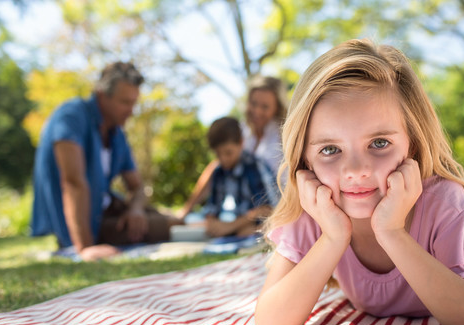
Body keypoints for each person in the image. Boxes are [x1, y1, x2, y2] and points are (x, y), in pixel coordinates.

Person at [254, 39, 464, 325]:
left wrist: (392, 233)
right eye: (330, 149)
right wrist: (333, 236)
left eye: (379, 143)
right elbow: (269, 323)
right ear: (306, 161)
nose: (355, 170)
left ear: (414, 145)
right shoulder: (314, 209)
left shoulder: (445, 203)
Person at [31, 61, 182, 261]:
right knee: (166, 226)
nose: (131, 111)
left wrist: (135, 210)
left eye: (134, 103)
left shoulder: (116, 134)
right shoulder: (71, 117)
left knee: (174, 221)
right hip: (79, 224)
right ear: (102, 95)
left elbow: (137, 187)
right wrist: (85, 248)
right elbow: (73, 182)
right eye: (125, 102)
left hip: (108, 211)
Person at [179, 76, 288, 219]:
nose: (257, 111)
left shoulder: (284, 135)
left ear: (277, 108)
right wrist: (186, 210)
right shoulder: (243, 130)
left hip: (275, 210)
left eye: (265, 107)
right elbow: (218, 166)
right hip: (246, 211)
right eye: (253, 103)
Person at [202, 116, 279, 238]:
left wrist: (231, 226)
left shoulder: (254, 168)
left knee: (249, 231)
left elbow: (268, 209)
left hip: (270, 223)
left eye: (228, 152)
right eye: (218, 154)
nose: (223, 159)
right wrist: (213, 224)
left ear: (241, 143)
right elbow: (212, 209)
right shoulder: (219, 171)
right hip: (242, 225)